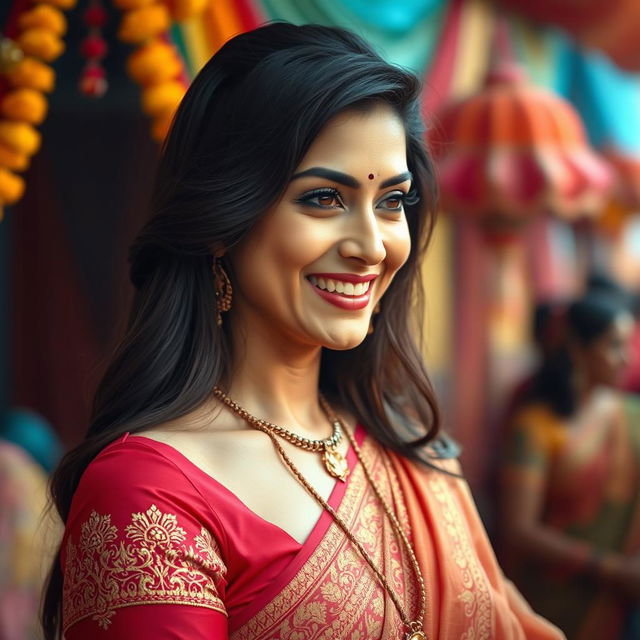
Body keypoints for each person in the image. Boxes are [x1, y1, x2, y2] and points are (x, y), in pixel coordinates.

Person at [42, 23, 564, 640]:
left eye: (392, 202)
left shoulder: (409, 448)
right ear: (219, 219)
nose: (371, 247)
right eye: (323, 199)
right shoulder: (147, 496)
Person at [499, 290, 639, 639]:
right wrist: (610, 570)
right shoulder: (536, 426)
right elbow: (518, 529)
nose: (626, 359)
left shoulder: (632, 417)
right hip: (554, 596)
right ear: (578, 349)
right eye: (614, 346)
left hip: (623, 598)